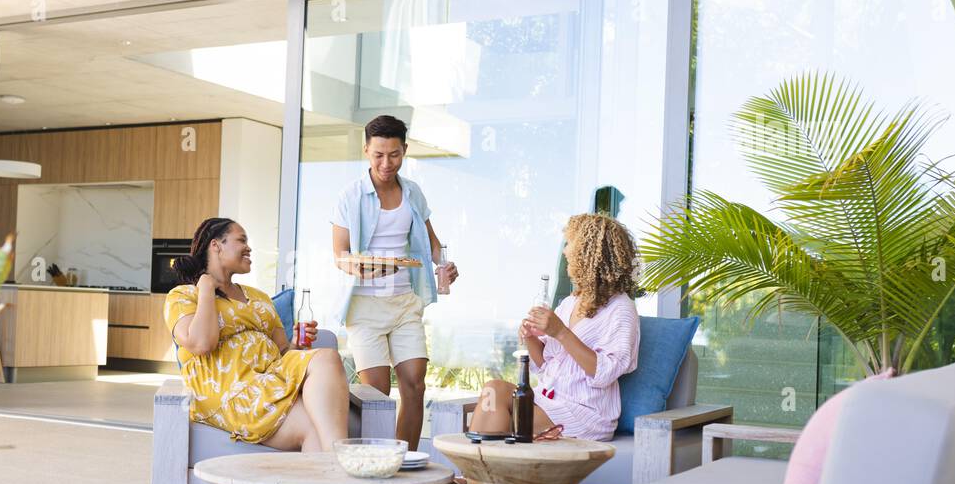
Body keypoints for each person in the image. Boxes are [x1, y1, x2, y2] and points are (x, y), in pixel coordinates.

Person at [165, 217, 350, 451]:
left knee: (327, 359)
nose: (249, 247)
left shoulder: (259, 297)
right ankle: (343, 460)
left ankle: (335, 464)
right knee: (312, 425)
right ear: (216, 245)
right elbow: (201, 344)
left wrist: (295, 342)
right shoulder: (183, 296)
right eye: (241, 240)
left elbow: (284, 354)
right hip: (229, 391)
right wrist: (206, 290)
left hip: (271, 381)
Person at [331, 115, 458, 450]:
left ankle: (405, 465)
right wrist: (358, 267)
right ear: (366, 152)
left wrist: (444, 264)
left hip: (404, 301)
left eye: (394, 155)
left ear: (405, 150)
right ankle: (373, 464)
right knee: (378, 396)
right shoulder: (351, 196)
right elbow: (340, 255)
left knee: (415, 385)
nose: (386, 163)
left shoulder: (413, 192)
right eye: (378, 155)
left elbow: (431, 244)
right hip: (365, 307)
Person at [471, 213, 641, 442]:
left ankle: (476, 475)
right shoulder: (571, 302)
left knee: (497, 398)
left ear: (588, 252)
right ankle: (480, 473)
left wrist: (561, 332)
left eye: (570, 243)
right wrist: (530, 337)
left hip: (585, 414)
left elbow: (605, 372)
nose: (565, 251)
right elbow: (545, 365)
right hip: (547, 401)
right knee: (492, 390)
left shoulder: (621, 309)